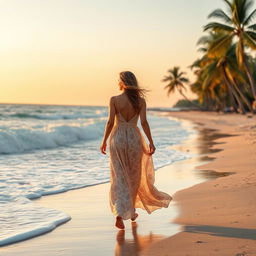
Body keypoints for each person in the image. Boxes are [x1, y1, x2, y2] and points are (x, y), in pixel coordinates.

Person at [100, 71, 172, 229]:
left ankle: (123, 213)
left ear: (122, 82)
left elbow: (110, 122)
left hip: (117, 138)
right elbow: (144, 122)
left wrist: (104, 141)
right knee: (134, 176)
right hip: (134, 138)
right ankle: (129, 211)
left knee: (119, 177)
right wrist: (151, 142)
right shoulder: (140, 101)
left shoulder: (114, 100)